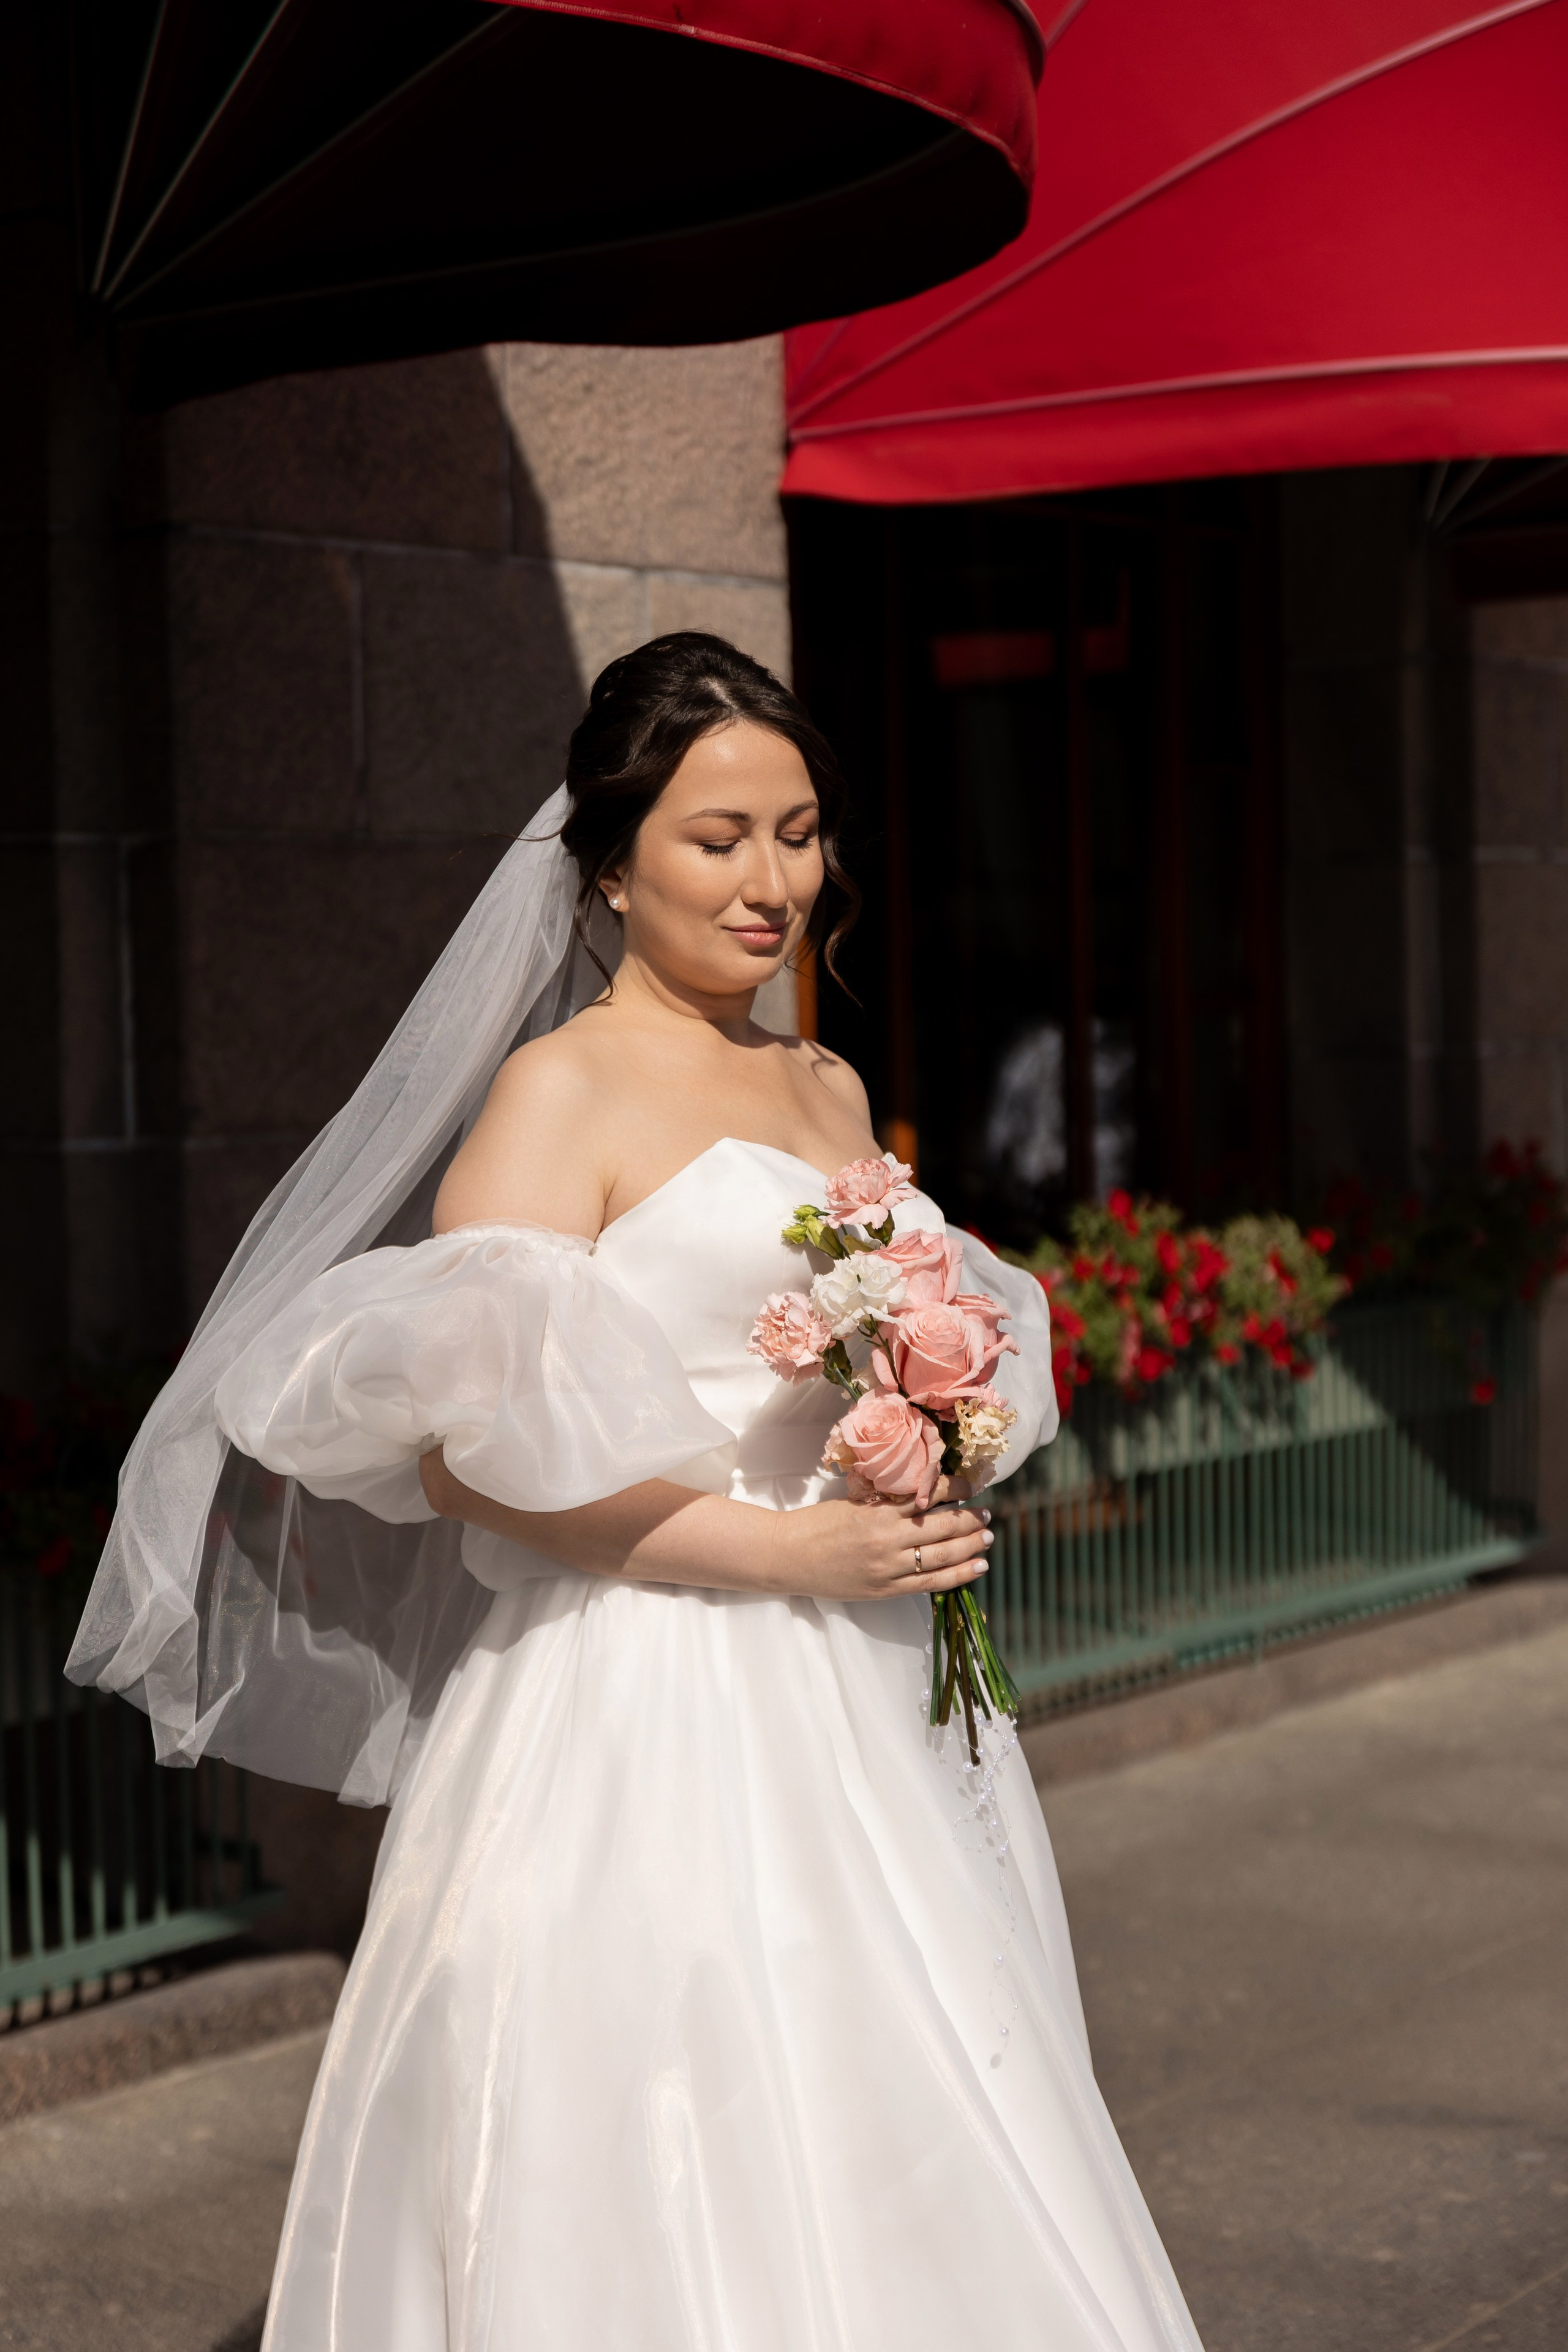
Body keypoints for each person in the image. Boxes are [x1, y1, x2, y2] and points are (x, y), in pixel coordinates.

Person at [70, 635, 1203, 2350]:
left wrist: (930, 1431)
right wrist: (788, 1543)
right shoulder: (560, 1092)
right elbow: (473, 1461)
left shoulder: (824, 1081)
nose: (773, 880)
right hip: (644, 1683)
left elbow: (869, 1342)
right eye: (719, 836)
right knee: (661, 2117)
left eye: (801, 831)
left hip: (872, 1680)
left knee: (923, 2090)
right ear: (609, 866)